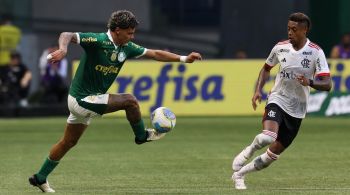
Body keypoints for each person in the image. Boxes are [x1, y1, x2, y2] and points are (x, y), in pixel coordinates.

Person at [28, 10, 202, 193]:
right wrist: (63, 49)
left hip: (89, 99)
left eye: (133, 33)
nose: (132, 36)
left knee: (68, 142)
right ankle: (141, 136)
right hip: (81, 99)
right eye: (129, 32)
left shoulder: (126, 47)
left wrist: (184, 59)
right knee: (130, 101)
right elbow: (67, 35)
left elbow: (155, 54)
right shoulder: (98, 40)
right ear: (117, 30)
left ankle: (40, 178)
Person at [231, 12, 332, 190]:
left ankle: (239, 175)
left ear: (304, 30)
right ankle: (249, 149)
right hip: (278, 98)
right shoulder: (280, 47)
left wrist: (309, 82)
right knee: (268, 136)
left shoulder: (316, 52)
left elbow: (327, 84)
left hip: (298, 109)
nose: (290, 33)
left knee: (271, 156)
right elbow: (266, 69)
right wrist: (257, 90)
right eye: (288, 29)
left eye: (294, 29)